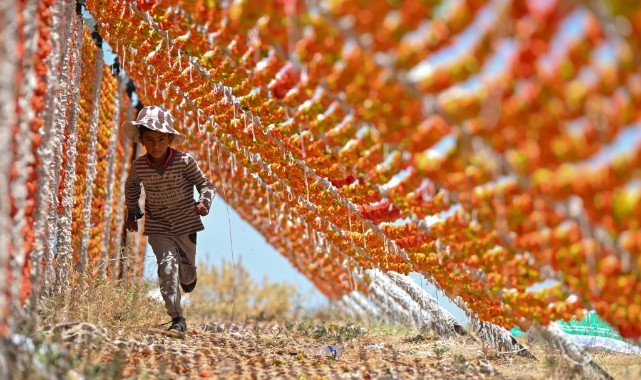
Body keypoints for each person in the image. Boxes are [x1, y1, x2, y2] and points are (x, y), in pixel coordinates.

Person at [122, 105, 216, 335]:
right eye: (150, 139)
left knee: (186, 270)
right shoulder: (140, 166)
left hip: (185, 223)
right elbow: (131, 185)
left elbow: (206, 185)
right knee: (167, 268)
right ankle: (177, 319)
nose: (155, 145)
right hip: (158, 225)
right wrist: (132, 211)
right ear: (142, 141)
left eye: (161, 139)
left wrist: (204, 203)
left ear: (170, 139)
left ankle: (189, 276)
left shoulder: (185, 162)